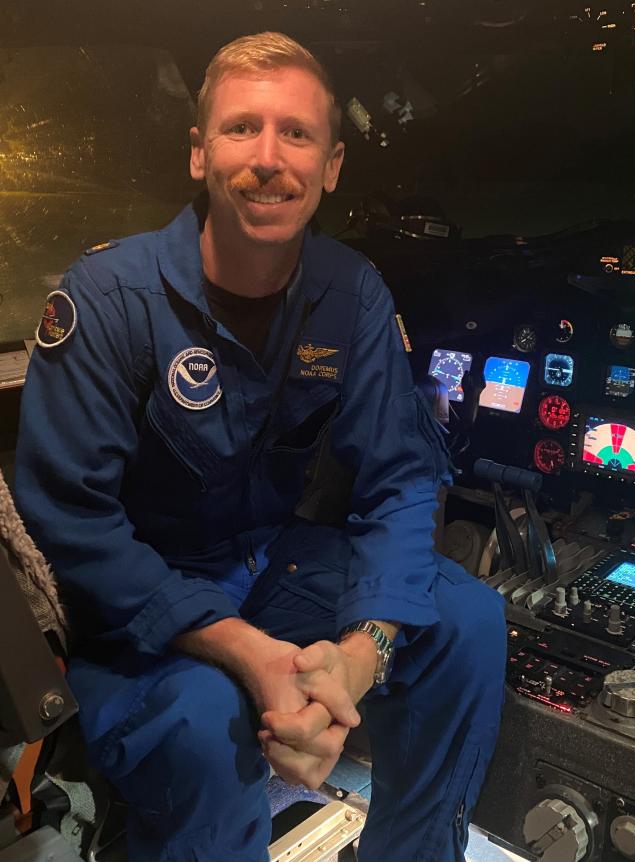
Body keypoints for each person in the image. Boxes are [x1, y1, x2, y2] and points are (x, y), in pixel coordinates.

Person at [14, 31, 506, 862]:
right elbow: (74, 519)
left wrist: (360, 652)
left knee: (468, 619)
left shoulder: (350, 292)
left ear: (334, 163)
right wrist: (248, 653)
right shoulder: (107, 299)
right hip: (146, 605)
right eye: (242, 130)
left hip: (275, 566)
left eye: (297, 134)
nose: (269, 159)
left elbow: (402, 476)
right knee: (207, 728)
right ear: (200, 154)